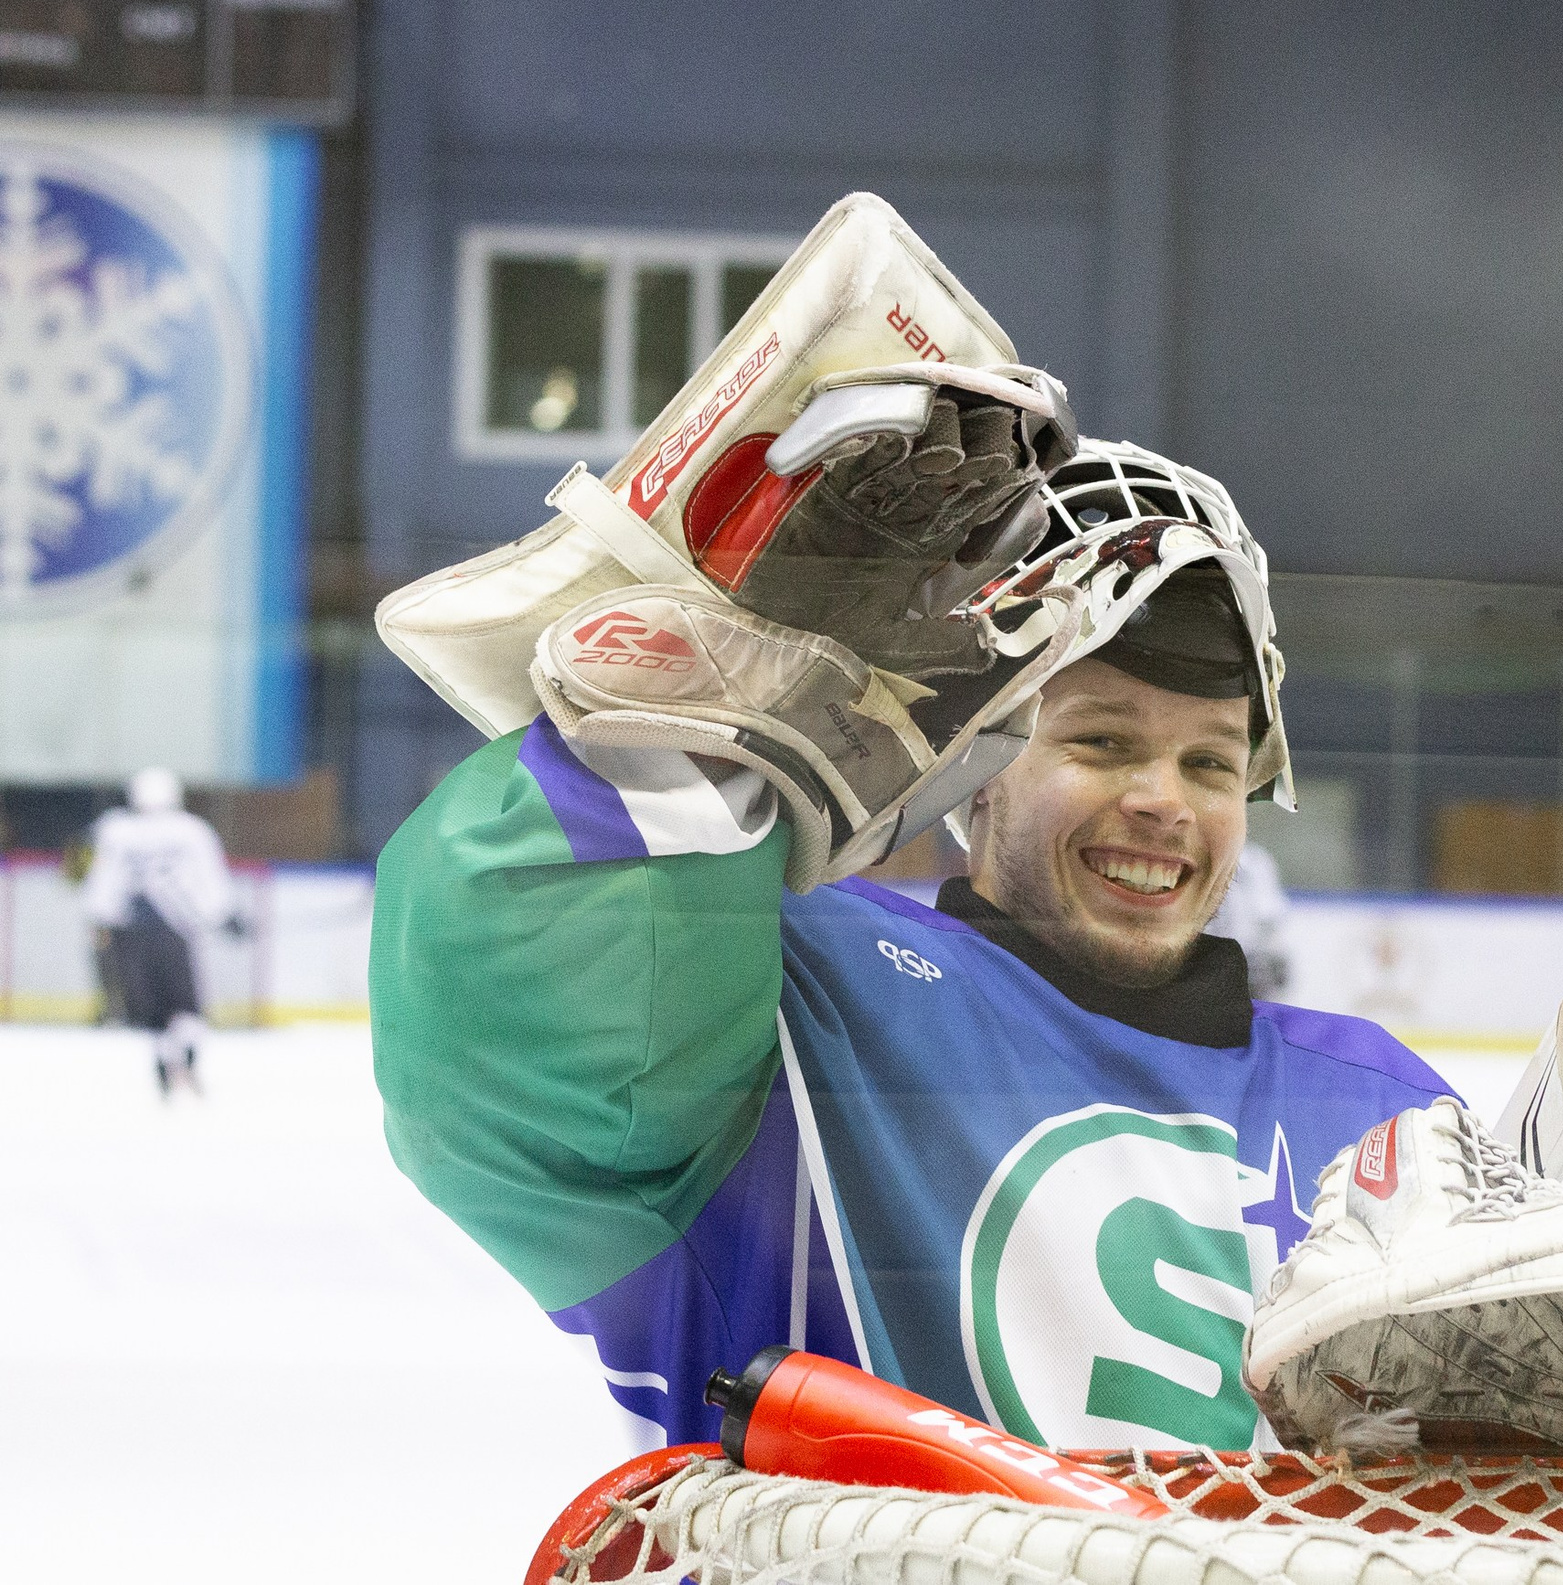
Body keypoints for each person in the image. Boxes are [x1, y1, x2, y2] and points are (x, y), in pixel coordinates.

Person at [370, 441, 1451, 1453]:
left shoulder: (1380, 1111)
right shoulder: (798, 995)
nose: (1165, 801)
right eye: (1102, 742)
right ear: (971, 768)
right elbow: (510, 1006)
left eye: (1210, 764)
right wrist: (712, 691)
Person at [82, 768, 239, 1095]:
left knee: (150, 1008)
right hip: (176, 932)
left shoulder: (115, 829)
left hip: (128, 933)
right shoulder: (192, 830)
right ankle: (187, 1056)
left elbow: (103, 884)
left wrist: (99, 921)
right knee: (185, 1004)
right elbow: (209, 878)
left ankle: (165, 1059)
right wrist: (224, 915)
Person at [1205, 837, 1291, 999]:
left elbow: (1269, 915)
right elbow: (1270, 915)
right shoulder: (1254, 859)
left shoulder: (1255, 860)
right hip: (1223, 959)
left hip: (1246, 959)